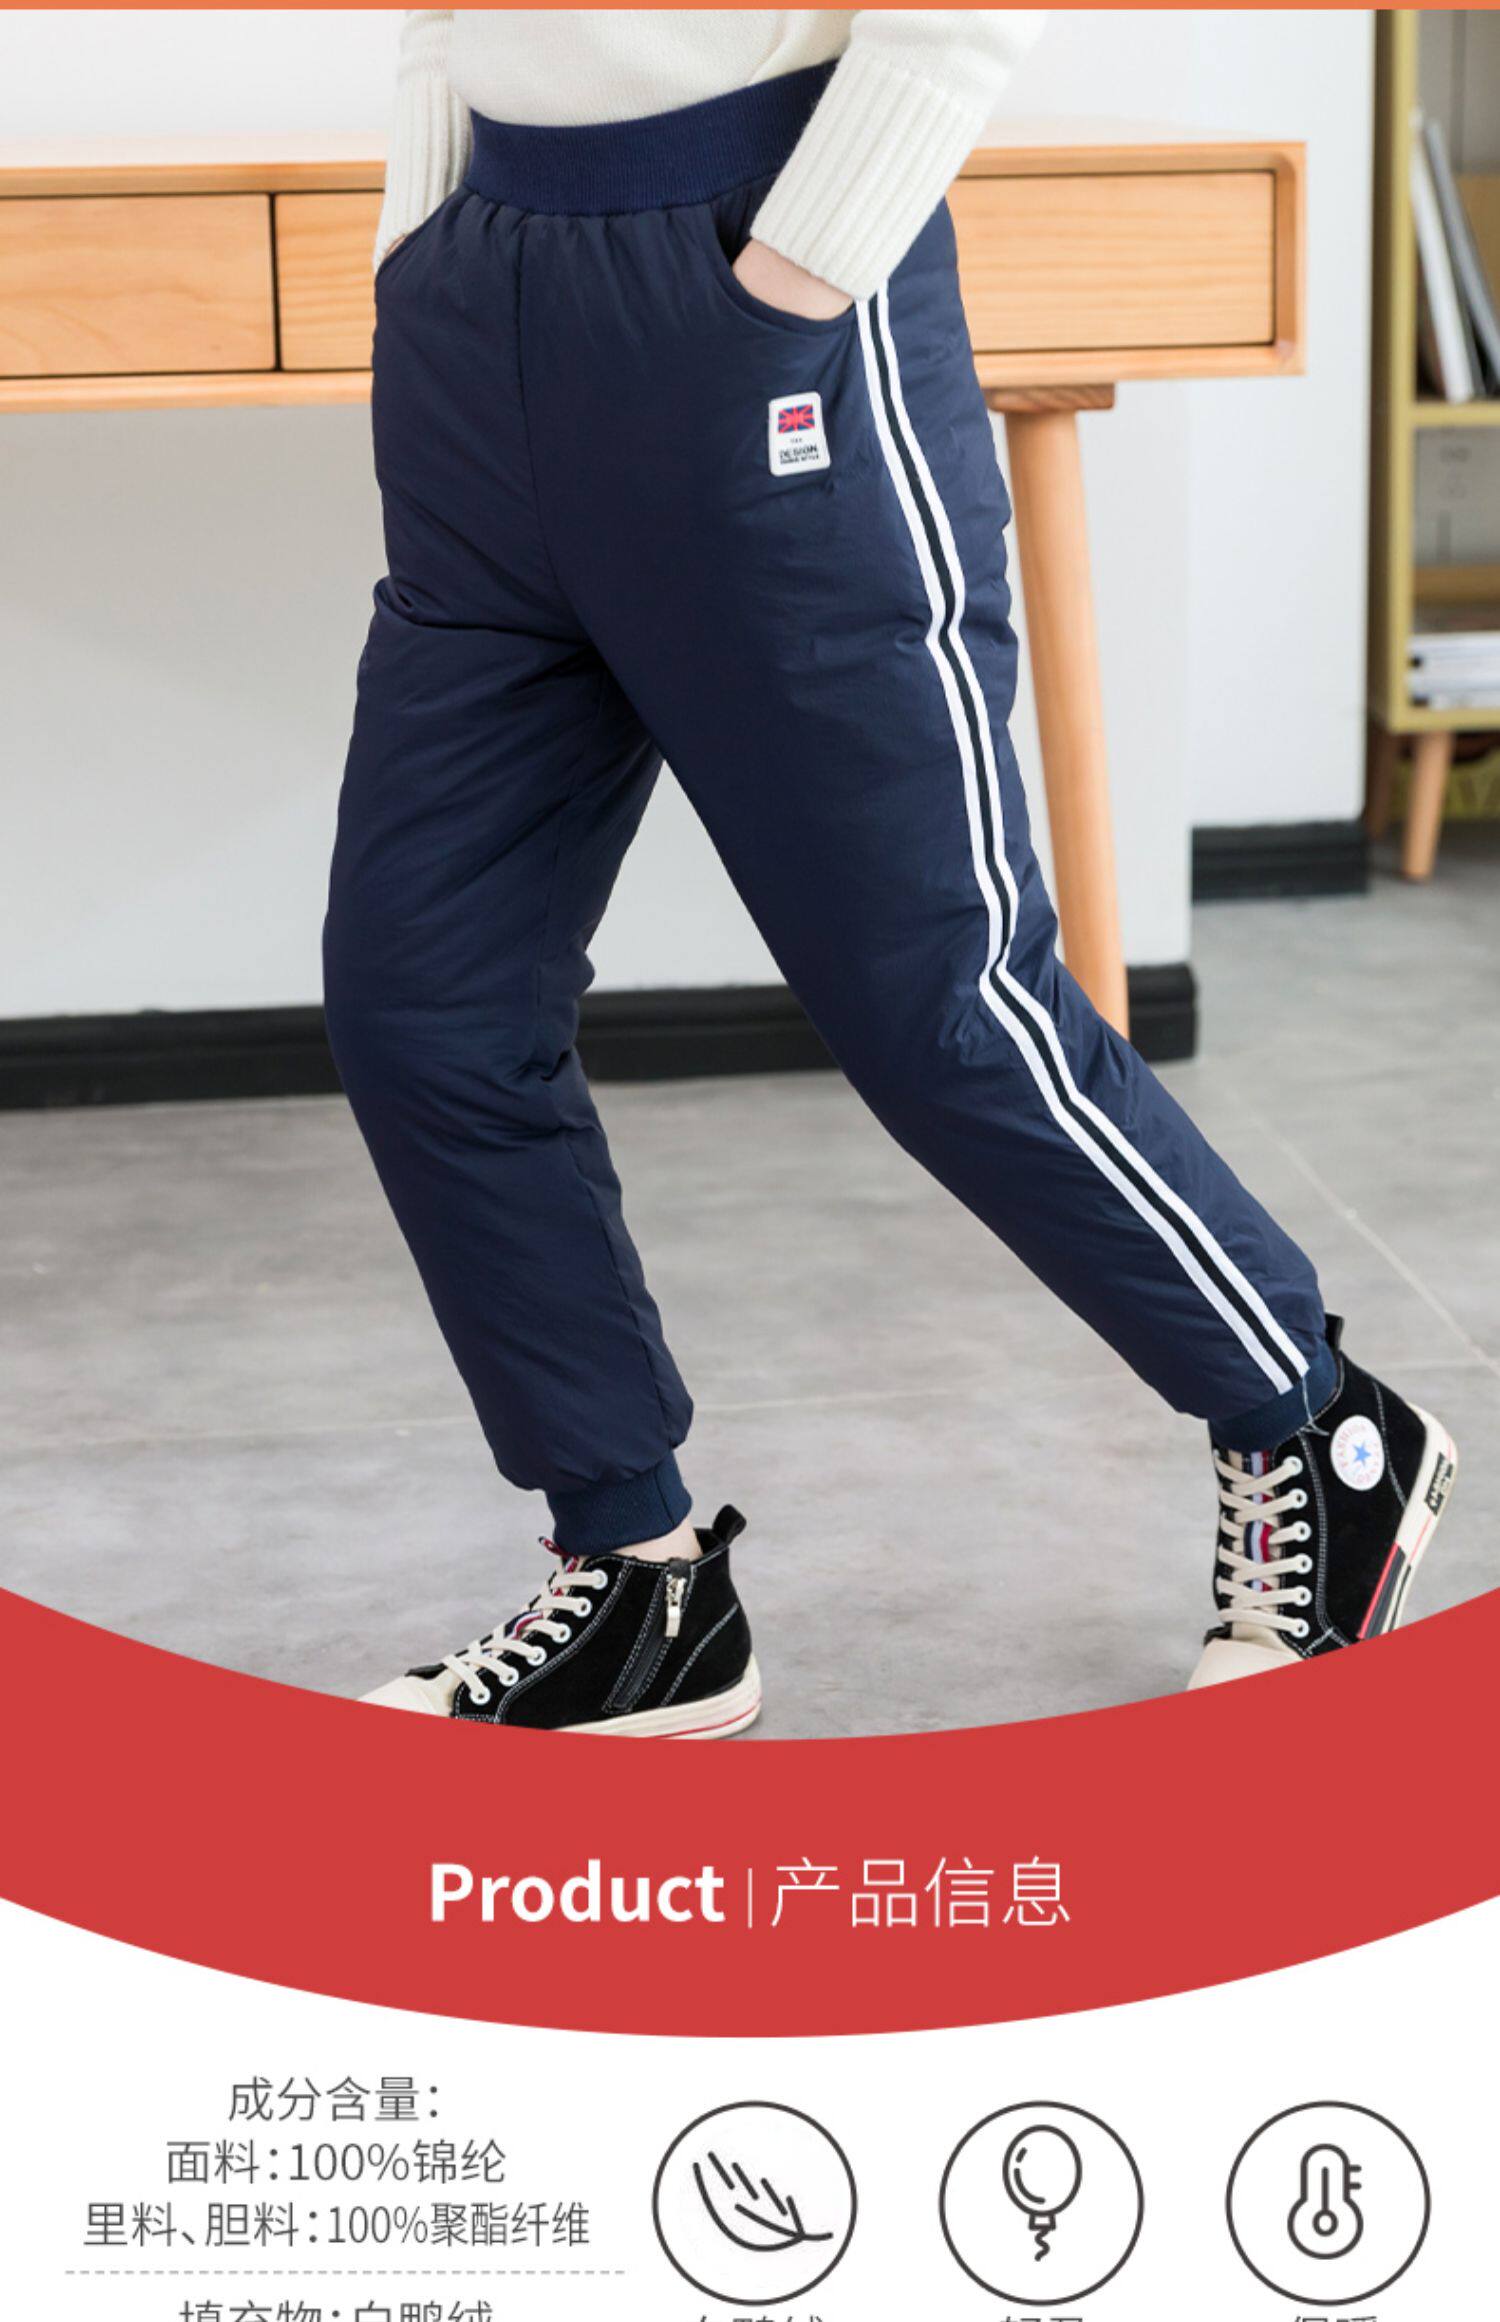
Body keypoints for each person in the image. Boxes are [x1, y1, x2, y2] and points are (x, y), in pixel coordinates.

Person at [331, 10, 1457, 1735]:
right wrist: (427, 244)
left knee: (942, 1003)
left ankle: (1317, 1427)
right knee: (426, 1000)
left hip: (761, 282)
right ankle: (640, 1583)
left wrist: (793, 275)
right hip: (488, 308)